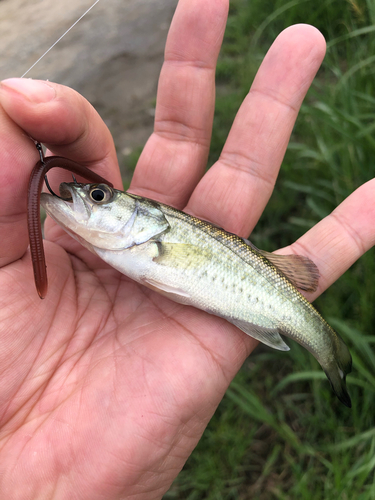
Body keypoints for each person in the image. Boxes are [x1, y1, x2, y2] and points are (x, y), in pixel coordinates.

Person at [0, 0, 374, 498]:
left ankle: (331, 355)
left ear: (142, 221)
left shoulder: (146, 241)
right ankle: (332, 357)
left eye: (97, 195)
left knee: (297, 326)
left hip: (253, 291)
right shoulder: (129, 247)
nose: (82, 195)